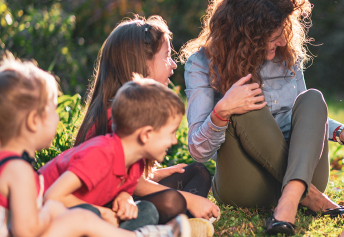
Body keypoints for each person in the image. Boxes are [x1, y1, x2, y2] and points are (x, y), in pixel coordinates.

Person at [179, 0, 344, 234]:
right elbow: (198, 151)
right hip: (246, 185)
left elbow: (302, 120)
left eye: (284, 31)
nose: (283, 41)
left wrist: (340, 132)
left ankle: (292, 195)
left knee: (312, 99)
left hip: (302, 172)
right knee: (246, 100)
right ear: (247, 32)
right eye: (274, 35)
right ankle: (308, 197)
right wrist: (222, 111)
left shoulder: (286, 55)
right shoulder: (201, 63)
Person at [0, 53, 190, 237]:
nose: (57, 118)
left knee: (141, 211)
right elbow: (26, 230)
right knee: (82, 218)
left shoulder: (15, 166)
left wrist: (123, 198)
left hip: (71, 216)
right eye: (53, 109)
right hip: (57, 217)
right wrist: (53, 210)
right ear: (34, 121)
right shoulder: (19, 170)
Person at [72, 15, 218, 223]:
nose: (173, 65)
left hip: (124, 194)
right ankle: (171, 223)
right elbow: (124, 184)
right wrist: (190, 200)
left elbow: (128, 176)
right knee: (174, 201)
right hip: (105, 206)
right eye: (167, 56)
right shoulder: (117, 114)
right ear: (143, 64)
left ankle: (178, 221)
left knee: (198, 172)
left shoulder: (131, 108)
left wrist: (155, 175)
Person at [41, 78, 192, 232]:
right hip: (46, 216)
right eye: (171, 133)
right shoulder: (100, 154)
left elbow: (119, 188)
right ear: (146, 134)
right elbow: (52, 197)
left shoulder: (135, 163)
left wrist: (124, 198)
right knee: (91, 212)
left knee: (147, 211)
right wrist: (102, 212)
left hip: (89, 216)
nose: (174, 140)